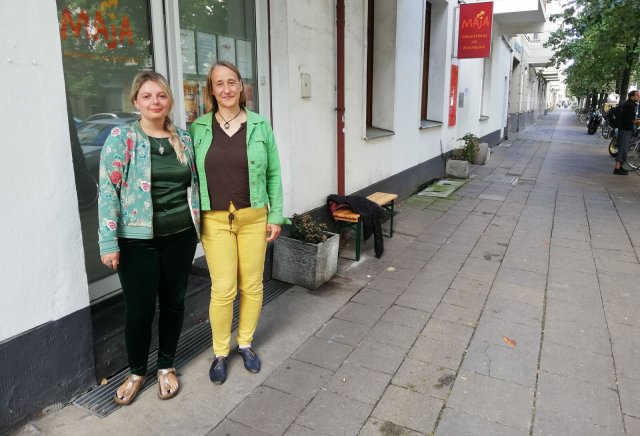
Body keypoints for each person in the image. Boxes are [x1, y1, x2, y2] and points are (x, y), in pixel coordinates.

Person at [98, 71, 200, 404]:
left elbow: (195, 187)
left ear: (169, 100)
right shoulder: (122, 138)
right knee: (139, 310)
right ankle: (137, 371)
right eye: (147, 96)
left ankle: (166, 366)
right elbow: (108, 192)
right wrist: (108, 242)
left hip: (180, 235)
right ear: (136, 101)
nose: (155, 102)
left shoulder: (183, 139)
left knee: (174, 303)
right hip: (136, 240)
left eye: (160, 95)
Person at [190, 61, 287, 385]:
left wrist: (276, 215)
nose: (227, 89)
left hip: (253, 218)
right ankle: (220, 351)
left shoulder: (260, 125)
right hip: (215, 220)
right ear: (212, 89)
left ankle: (244, 343)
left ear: (242, 87)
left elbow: (273, 173)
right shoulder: (198, 128)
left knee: (252, 285)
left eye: (232, 82)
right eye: (220, 83)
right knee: (223, 288)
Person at [613, 90, 640, 175]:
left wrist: (636, 120)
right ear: (632, 97)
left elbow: (629, 118)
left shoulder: (628, 104)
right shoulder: (630, 106)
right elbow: (631, 120)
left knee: (623, 148)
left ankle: (620, 167)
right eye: (637, 95)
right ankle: (617, 168)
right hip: (626, 130)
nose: (639, 97)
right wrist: (637, 122)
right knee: (623, 148)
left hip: (624, 129)